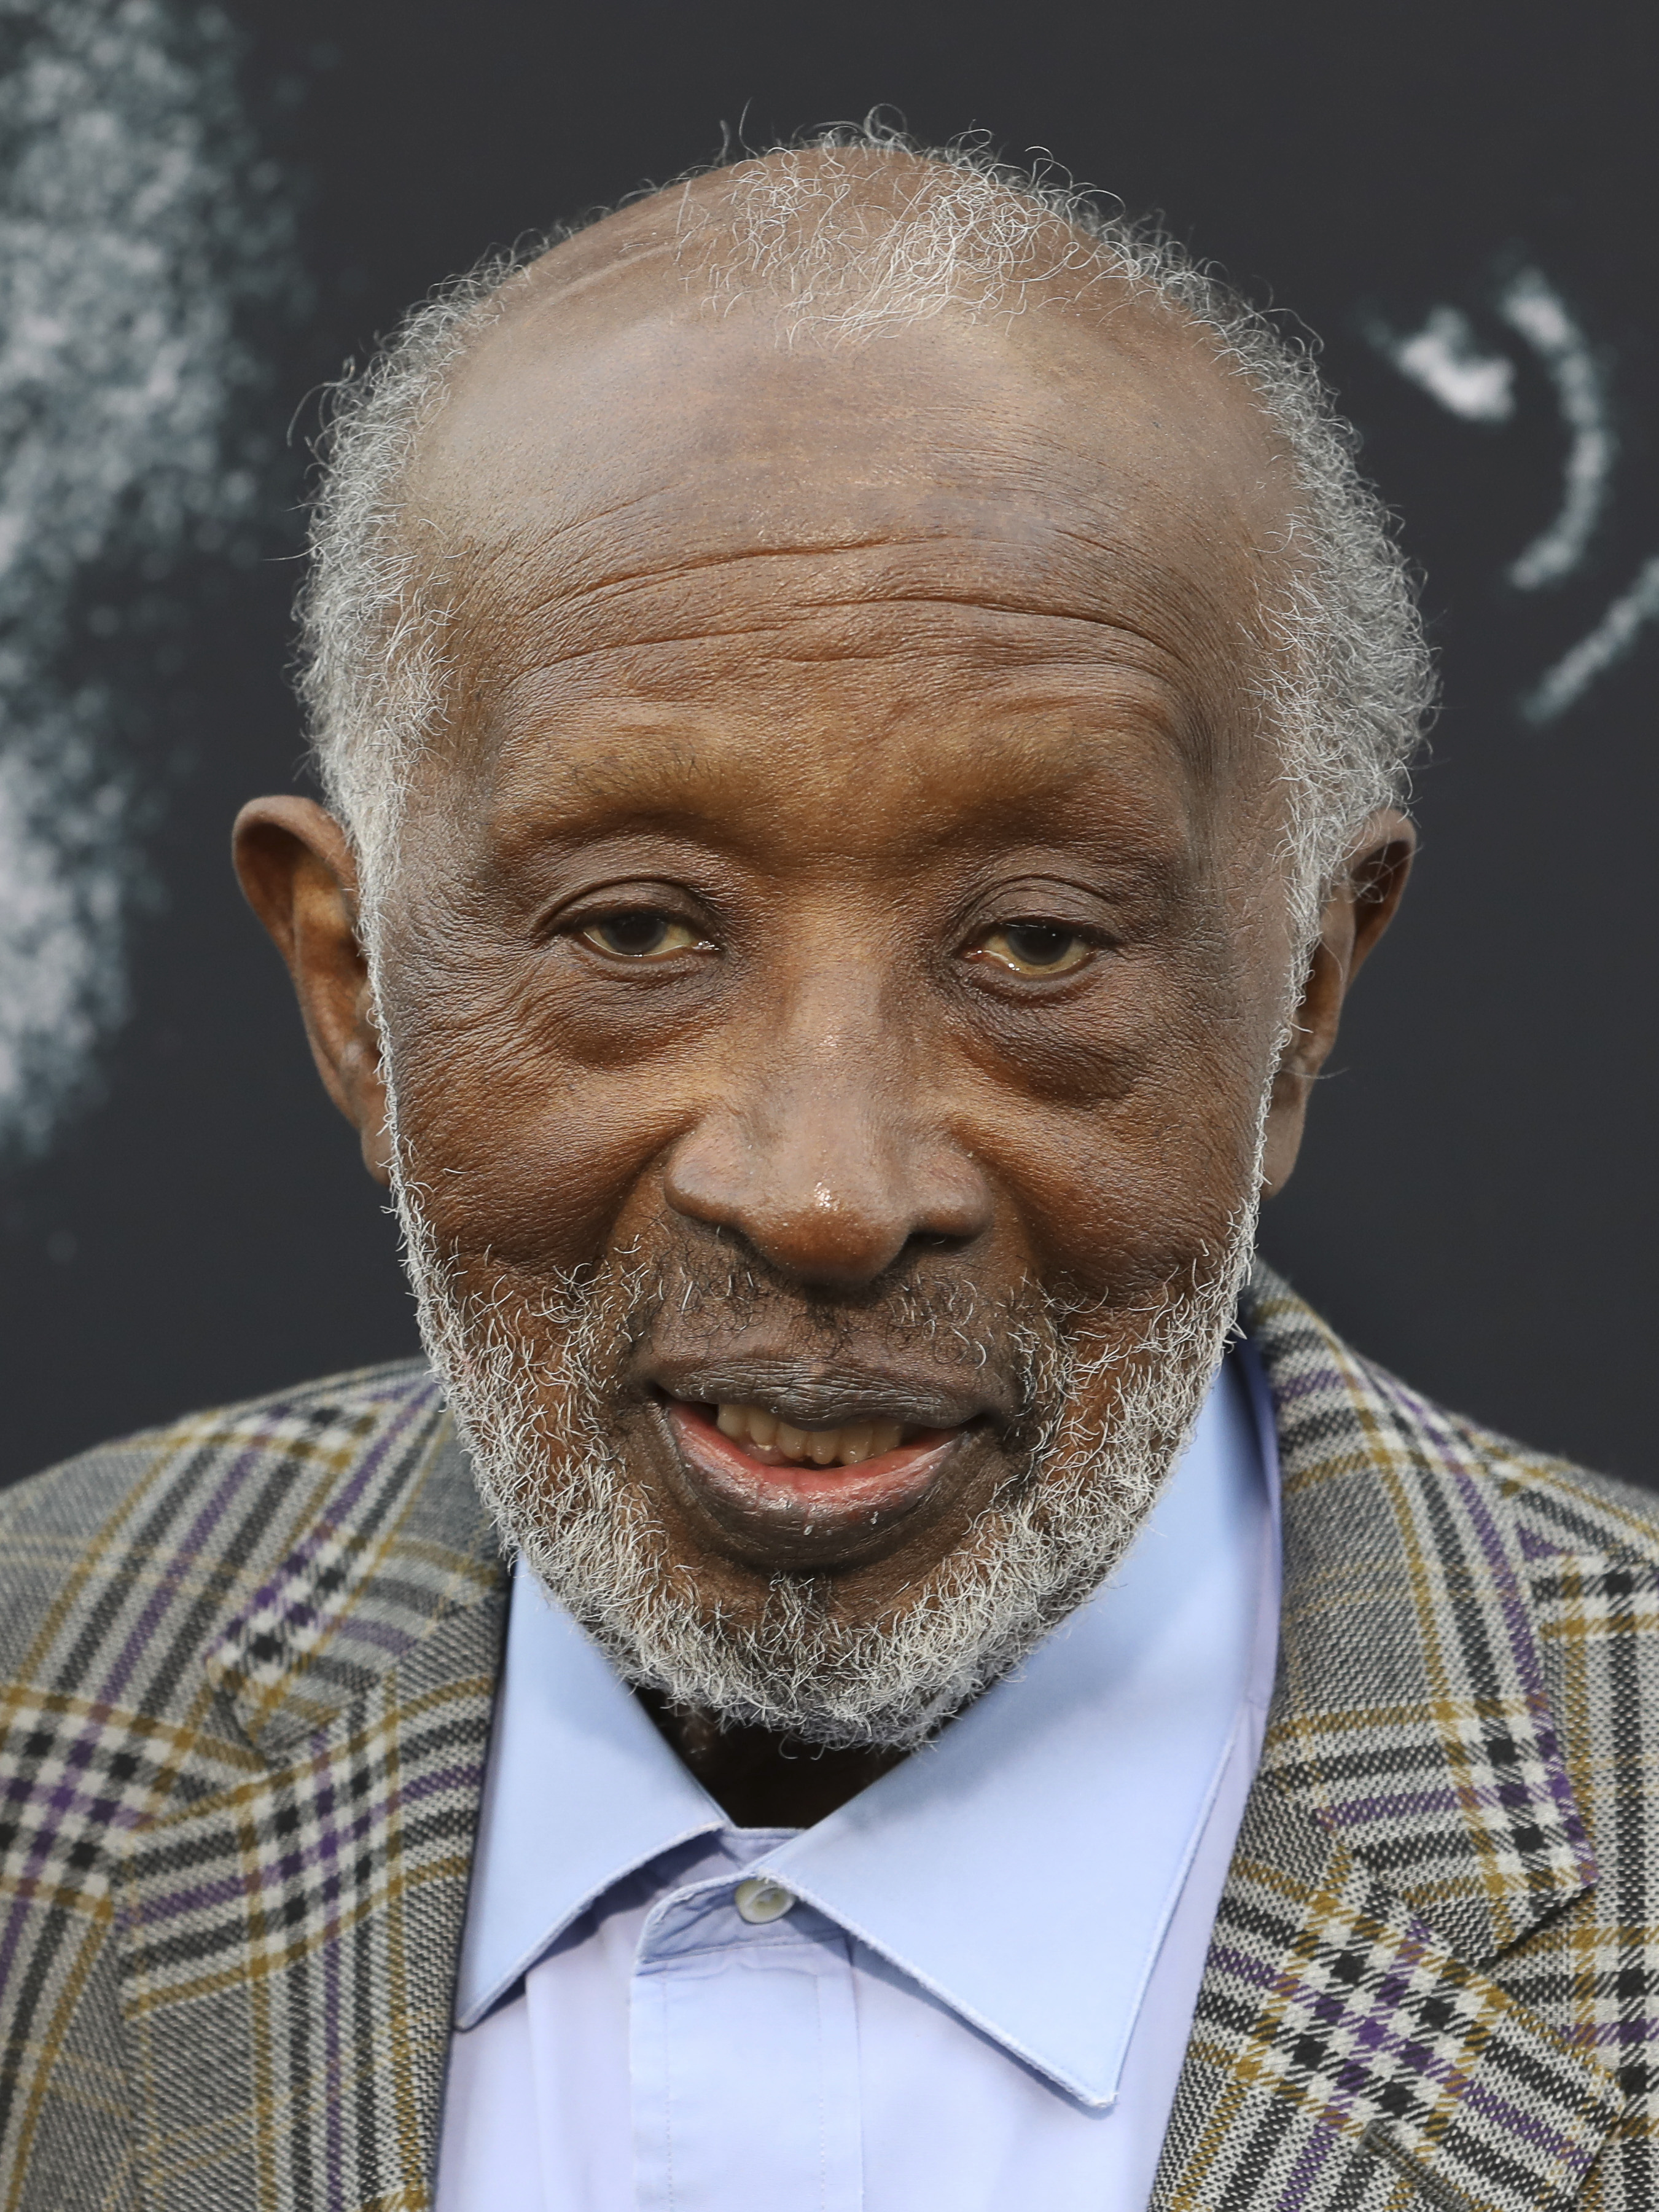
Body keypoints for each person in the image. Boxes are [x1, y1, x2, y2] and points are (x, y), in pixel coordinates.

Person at [2, 131, 1655, 2212]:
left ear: (1305, 996)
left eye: (1037, 943)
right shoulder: (42, 1696)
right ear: (353, 993)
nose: (823, 1192)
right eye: (633, 930)